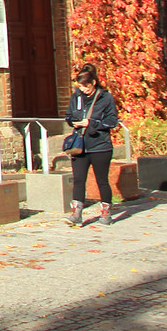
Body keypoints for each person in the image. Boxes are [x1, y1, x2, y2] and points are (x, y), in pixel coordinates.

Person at [64, 62, 119, 226]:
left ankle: (106, 211)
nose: (83, 89)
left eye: (85, 86)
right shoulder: (76, 97)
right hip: (79, 145)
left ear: (93, 83)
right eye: (80, 86)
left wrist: (92, 122)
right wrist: (73, 122)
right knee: (78, 180)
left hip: (100, 145)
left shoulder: (105, 97)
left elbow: (112, 121)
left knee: (102, 180)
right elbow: (68, 115)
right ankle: (76, 213)